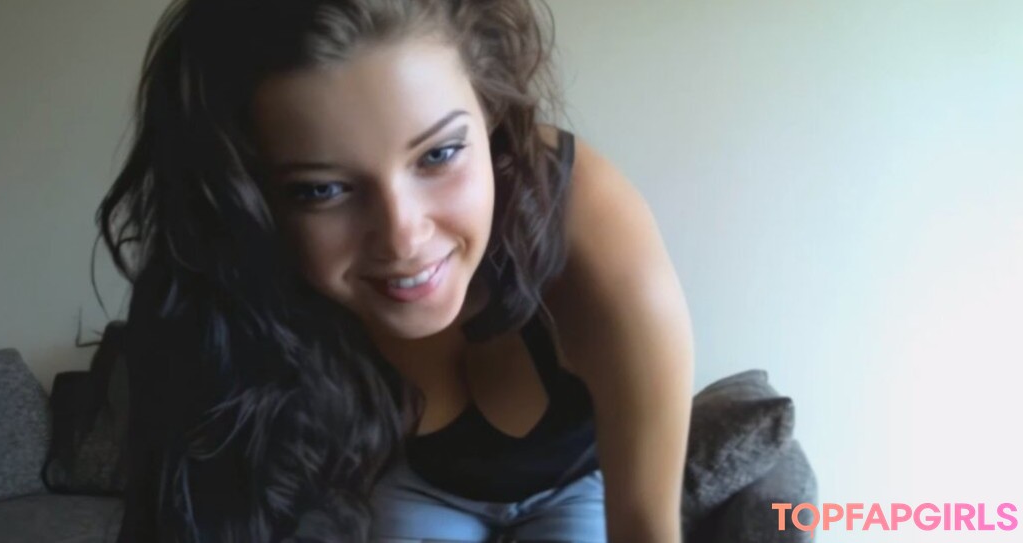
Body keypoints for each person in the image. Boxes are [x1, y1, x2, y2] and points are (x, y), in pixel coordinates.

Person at [97, 0, 694, 541]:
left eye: (439, 154)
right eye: (322, 189)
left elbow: (646, 525)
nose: (404, 239)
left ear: (491, 112)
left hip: (575, 484)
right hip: (423, 488)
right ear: (249, 204)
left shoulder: (585, 219)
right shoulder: (238, 290)